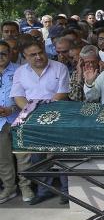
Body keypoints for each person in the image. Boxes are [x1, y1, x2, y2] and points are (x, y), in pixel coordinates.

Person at [11, 39, 70, 204]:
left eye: (40, 52)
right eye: (33, 55)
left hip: (57, 117)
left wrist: (44, 112)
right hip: (33, 120)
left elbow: (62, 93)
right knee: (38, 158)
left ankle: (66, 192)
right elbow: (18, 97)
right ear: (25, 56)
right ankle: (45, 191)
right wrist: (32, 111)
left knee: (61, 156)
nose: (38, 57)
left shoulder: (59, 67)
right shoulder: (20, 72)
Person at [0, 40, 20, 204]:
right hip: (0, 122)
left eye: (3, 53)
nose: (0, 57)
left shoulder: (20, 71)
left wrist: (12, 109)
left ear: (10, 54)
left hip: (17, 119)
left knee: (23, 157)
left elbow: (26, 94)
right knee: (3, 158)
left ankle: (27, 187)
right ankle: (9, 188)